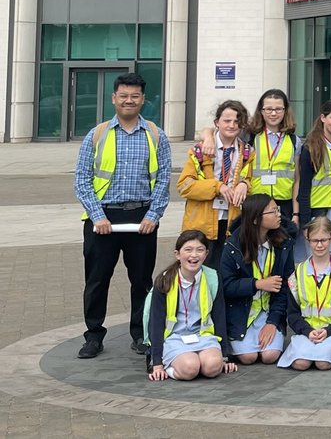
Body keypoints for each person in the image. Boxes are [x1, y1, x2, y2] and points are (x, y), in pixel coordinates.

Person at [74, 71, 172, 359]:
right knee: (97, 280)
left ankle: (140, 334)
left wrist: (153, 215)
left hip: (142, 219)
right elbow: (82, 180)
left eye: (135, 96)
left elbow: (164, 179)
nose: (129, 100)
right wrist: (97, 216)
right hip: (102, 219)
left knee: (141, 281)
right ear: (114, 98)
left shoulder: (155, 135)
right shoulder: (97, 134)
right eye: (124, 96)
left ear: (143, 99)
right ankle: (93, 335)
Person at [146, 230, 236, 381]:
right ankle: (175, 366)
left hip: (202, 335)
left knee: (213, 367)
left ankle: (196, 362)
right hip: (174, 338)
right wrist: (157, 364)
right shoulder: (164, 280)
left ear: (206, 254)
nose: (194, 255)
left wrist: (225, 356)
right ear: (177, 254)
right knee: (190, 368)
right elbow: (156, 322)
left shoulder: (212, 277)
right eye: (188, 250)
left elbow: (219, 316)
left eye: (200, 250)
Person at [220, 193, 294, 366]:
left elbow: (286, 287)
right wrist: (257, 284)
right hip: (241, 313)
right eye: (273, 211)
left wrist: (273, 322)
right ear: (255, 219)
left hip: (269, 312)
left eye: (277, 210)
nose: (279, 215)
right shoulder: (233, 246)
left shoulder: (284, 243)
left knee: (270, 356)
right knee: (248, 357)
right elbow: (226, 286)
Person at [178, 100, 252, 267]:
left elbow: (250, 179)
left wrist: (245, 184)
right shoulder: (199, 151)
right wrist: (217, 187)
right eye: (227, 120)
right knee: (201, 270)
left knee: (226, 270)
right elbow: (184, 186)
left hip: (232, 221)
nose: (232, 125)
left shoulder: (247, 152)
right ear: (217, 122)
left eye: (237, 121)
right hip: (201, 222)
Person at [278, 216, 331, 370]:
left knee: (323, 363)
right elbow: (292, 313)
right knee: (300, 363)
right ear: (308, 240)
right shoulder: (298, 273)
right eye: (315, 240)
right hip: (306, 332)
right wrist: (307, 331)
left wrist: (329, 330)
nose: (319, 245)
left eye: (324, 240)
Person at [296, 100, 331, 263]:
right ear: (323, 118)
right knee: (320, 256)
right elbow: (304, 188)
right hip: (320, 211)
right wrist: (305, 222)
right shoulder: (311, 148)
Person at [246, 89, 301, 230]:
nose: (273, 113)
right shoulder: (250, 137)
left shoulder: (294, 140)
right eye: (269, 109)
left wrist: (296, 213)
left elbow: (297, 180)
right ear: (261, 111)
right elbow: (218, 131)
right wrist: (207, 135)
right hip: (257, 204)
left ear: (285, 111)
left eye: (278, 109)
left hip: (284, 204)